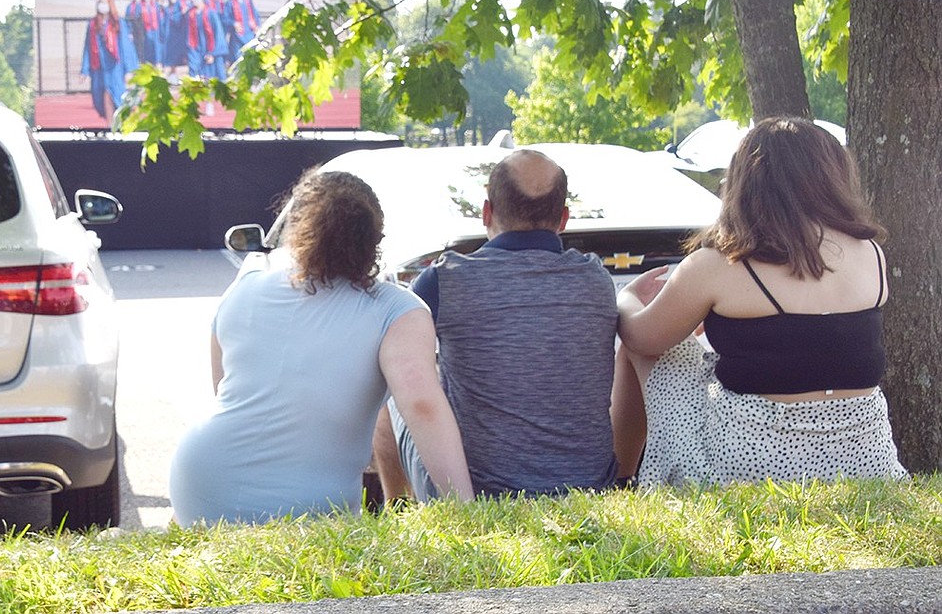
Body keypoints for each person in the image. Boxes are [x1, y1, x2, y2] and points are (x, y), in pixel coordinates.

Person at [169, 170, 474, 526]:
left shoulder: (246, 287)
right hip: (310, 505)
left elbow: (223, 388)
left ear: (298, 230)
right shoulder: (397, 309)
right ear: (376, 238)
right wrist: (466, 509)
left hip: (201, 484)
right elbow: (421, 406)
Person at [613, 116, 906, 486]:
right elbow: (817, 337)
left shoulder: (718, 264)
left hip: (756, 463)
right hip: (866, 460)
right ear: (833, 177)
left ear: (745, 181)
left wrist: (627, 299)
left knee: (641, 351)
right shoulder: (871, 253)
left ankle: (619, 478)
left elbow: (642, 338)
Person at [374, 149, 620, 501]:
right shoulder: (595, 279)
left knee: (397, 379)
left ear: (486, 212)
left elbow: (396, 351)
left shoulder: (445, 280)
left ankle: (396, 506)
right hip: (589, 486)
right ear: (563, 219)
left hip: (481, 493)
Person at [79, 0, 138, 122]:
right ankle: (111, 128)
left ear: (110, 3)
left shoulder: (118, 23)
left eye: (104, 2)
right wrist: (85, 70)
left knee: (115, 96)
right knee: (101, 96)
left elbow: (126, 47)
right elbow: (87, 48)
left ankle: (116, 126)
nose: (102, 5)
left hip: (116, 68)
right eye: (100, 2)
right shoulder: (93, 24)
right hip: (99, 68)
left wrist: (129, 70)